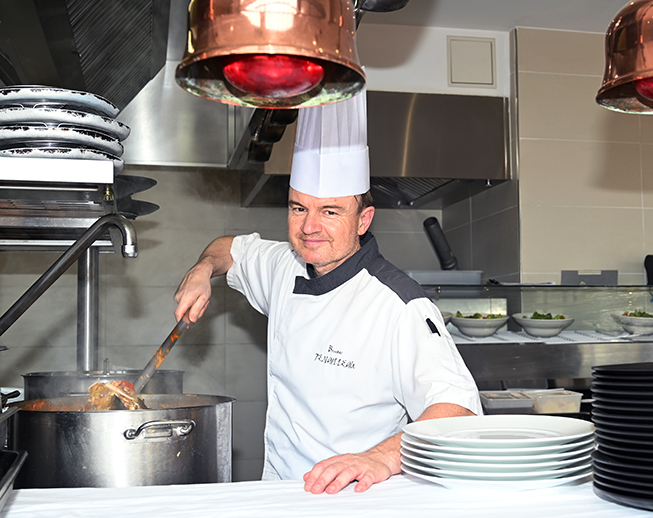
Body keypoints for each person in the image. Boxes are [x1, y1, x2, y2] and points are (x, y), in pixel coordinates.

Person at [173, 89, 482, 495]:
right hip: (281, 492)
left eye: (330, 211)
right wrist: (202, 270)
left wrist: (379, 457)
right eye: (298, 208)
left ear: (363, 220)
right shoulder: (284, 265)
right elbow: (228, 248)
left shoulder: (399, 305)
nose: (309, 227)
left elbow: (458, 411)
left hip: (352, 498)